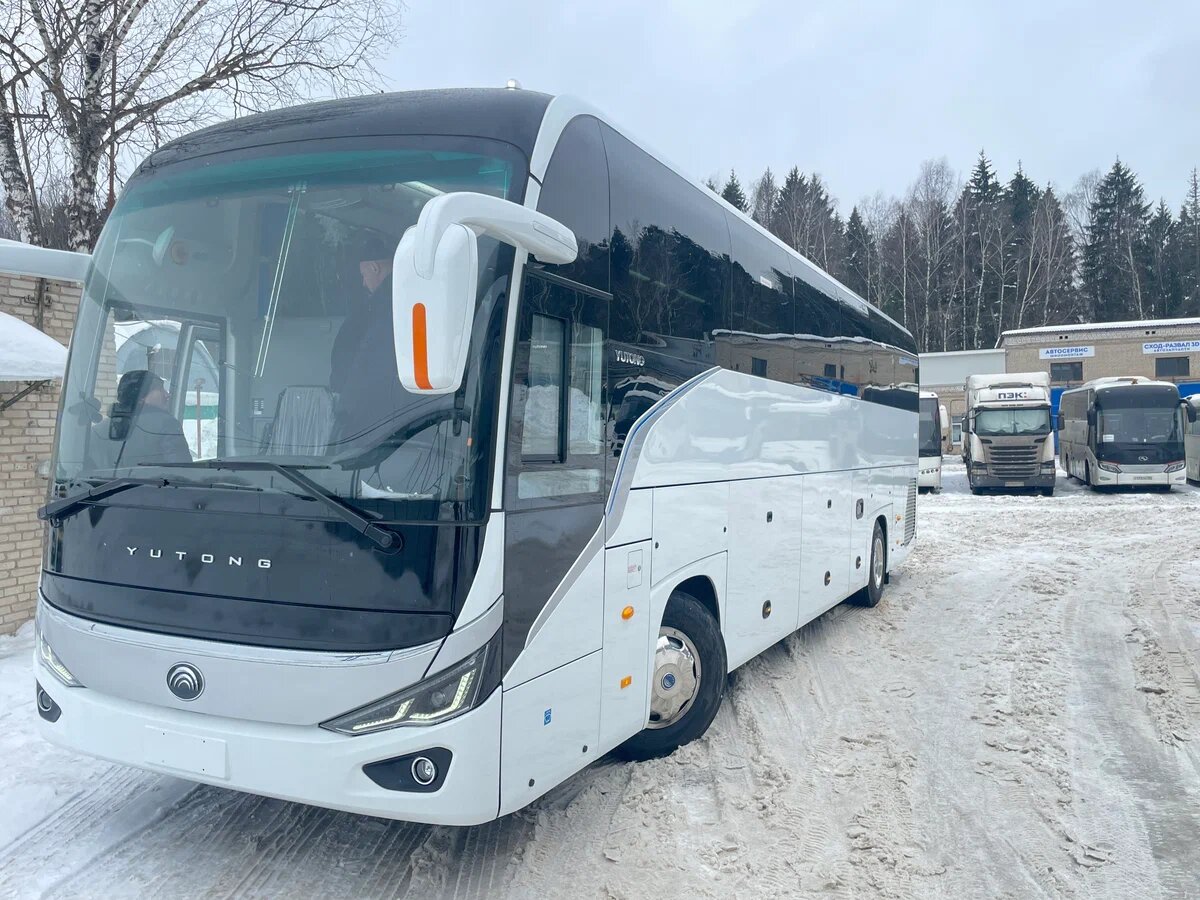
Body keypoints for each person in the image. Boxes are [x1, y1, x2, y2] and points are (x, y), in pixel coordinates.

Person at [329, 233, 401, 445]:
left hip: (372, 416)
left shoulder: (383, 306)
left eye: (363, 275)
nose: (363, 283)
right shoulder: (401, 297)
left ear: (374, 268)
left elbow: (368, 361)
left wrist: (346, 407)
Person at [87, 370, 192, 471]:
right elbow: (182, 473)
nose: (167, 394)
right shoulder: (167, 424)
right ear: (141, 397)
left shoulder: (97, 431)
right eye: (160, 390)